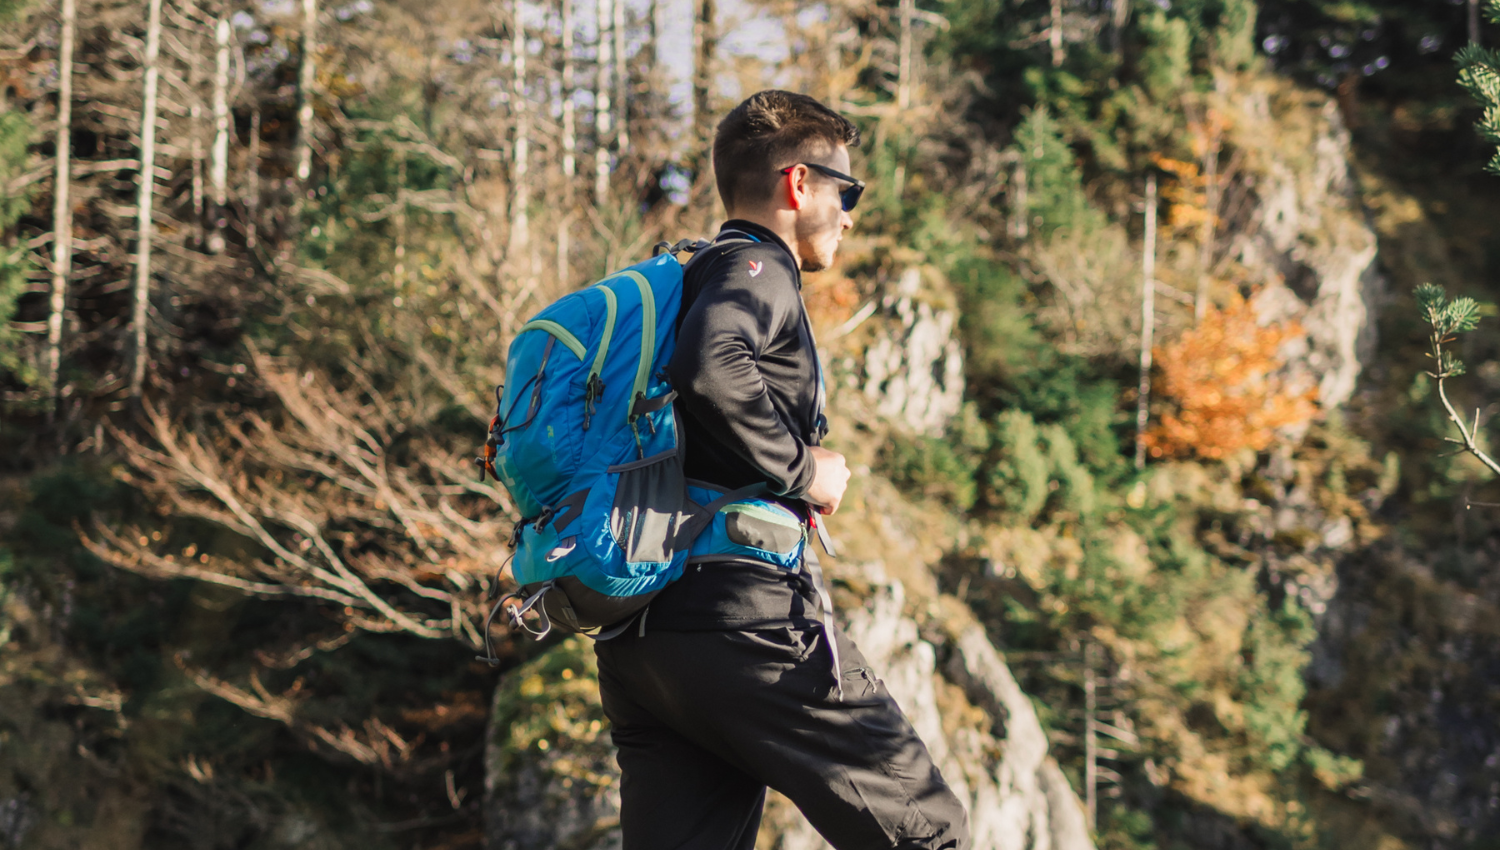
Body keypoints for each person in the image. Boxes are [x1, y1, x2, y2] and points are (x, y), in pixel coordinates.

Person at [592, 90, 971, 850]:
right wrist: (805, 471)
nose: (853, 213)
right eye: (847, 190)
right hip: (745, 619)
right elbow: (712, 364)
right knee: (929, 831)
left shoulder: (689, 276)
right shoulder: (757, 266)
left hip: (646, 639)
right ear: (800, 184)